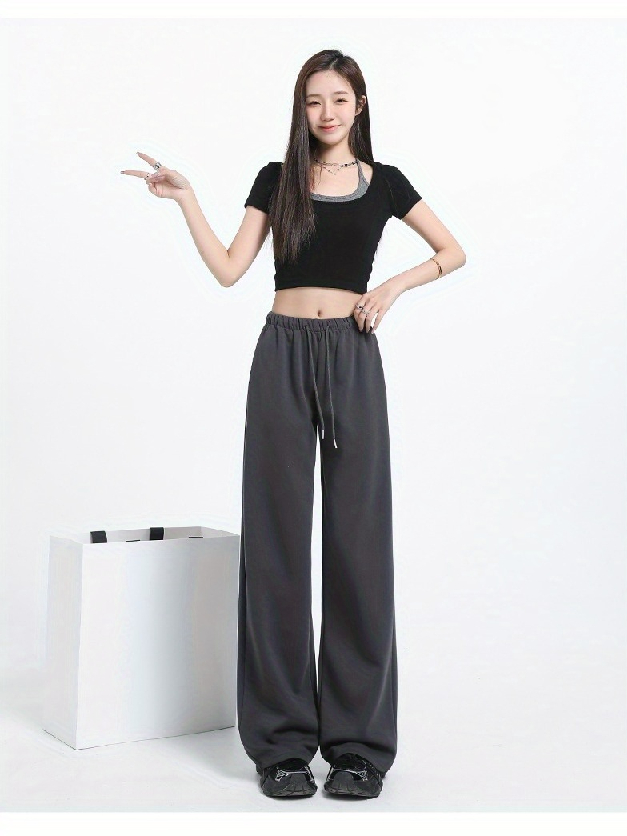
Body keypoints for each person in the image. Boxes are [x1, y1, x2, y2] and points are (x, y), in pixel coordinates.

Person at [121, 48, 466, 800]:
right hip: (280, 353)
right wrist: (186, 199)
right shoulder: (276, 180)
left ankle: (358, 748)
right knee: (277, 544)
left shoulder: (386, 182)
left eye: (339, 98)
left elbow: (452, 251)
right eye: (314, 100)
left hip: (353, 355)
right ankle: (280, 745)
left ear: (360, 104)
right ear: (300, 109)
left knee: (358, 545)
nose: (327, 113)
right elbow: (229, 269)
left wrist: (392, 288)